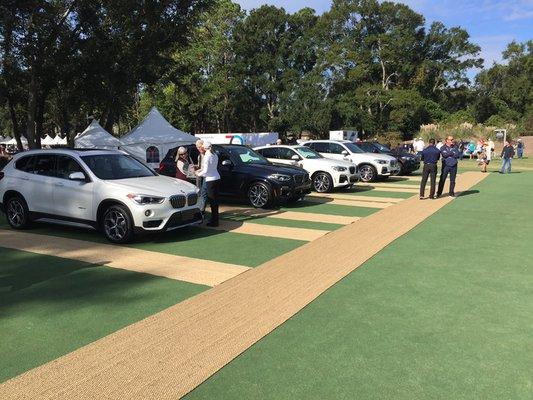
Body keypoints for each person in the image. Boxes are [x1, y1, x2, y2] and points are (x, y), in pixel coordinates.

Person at [195, 141, 220, 227]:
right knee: (215, 201)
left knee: (212, 201)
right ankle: (215, 219)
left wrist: (197, 174)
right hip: (216, 178)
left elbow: (205, 171)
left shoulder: (207, 156)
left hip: (210, 180)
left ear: (204, 148)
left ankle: (214, 222)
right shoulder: (215, 154)